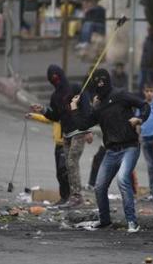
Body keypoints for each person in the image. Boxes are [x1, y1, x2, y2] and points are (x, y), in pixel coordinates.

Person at [70, 69, 150, 233]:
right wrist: (74, 108)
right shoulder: (98, 105)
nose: (100, 83)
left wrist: (139, 118)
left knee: (122, 180)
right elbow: (83, 125)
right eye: (97, 81)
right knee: (99, 187)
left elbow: (144, 105)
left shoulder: (120, 95)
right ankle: (105, 220)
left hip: (130, 147)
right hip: (111, 151)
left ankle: (132, 222)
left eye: (103, 80)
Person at [31, 65, 92, 208]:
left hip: (79, 131)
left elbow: (87, 109)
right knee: (65, 167)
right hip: (66, 135)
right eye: (52, 79)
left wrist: (88, 130)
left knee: (71, 162)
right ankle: (70, 196)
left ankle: (77, 197)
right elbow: (56, 116)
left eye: (57, 77)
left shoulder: (76, 88)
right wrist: (44, 110)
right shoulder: (55, 97)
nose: (56, 81)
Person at [25, 112, 70, 206]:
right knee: (59, 173)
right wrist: (33, 116)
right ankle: (64, 197)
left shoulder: (68, 113)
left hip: (67, 145)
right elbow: (47, 118)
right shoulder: (58, 113)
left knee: (63, 171)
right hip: (58, 145)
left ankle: (68, 197)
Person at [138, 26, 153, 94]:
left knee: (149, 84)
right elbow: (145, 53)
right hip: (144, 65)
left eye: (150, 30)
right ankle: (141, 97)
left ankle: (149, 97)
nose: (149, 32)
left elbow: (152, 53)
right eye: (148, 30)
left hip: (151, 66)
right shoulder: (147, 39)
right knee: (141, 83)